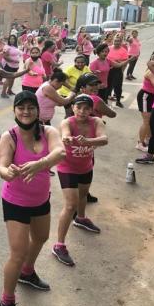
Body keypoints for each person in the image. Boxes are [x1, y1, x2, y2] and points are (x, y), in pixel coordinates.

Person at [0, 91, 65, 306]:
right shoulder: (10, 137)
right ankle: (6, 301)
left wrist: (40, 163)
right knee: (18, 252)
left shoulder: (49, 131)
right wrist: (8, 172)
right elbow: (2, 166)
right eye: (21, 107)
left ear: (37, 110)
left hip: (41, 198)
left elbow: (60, 152)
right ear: (15, 110)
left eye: (30, 107)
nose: (26, 112)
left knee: (41, 237)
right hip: (15, 201)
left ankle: (27, 272)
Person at [52, 94, 108, 267]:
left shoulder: (96, 122)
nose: (82, 111)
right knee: (70, 205)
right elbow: (66, 134)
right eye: (79, 107)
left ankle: (81, 219)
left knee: (83, 196)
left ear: (91, 110)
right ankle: (59, 245)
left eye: (86, 108)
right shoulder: (67, 122)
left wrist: (88, 141)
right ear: (73, 108)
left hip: (85, 166)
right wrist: (67, 139)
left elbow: (104, 139)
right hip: (67, 167)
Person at [135, 53, 154, 152]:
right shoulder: (150, 72)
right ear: (152, 61)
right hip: (146, 96)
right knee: (146, 121)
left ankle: (147, 139)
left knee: (151, 121)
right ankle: (140, 143)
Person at [106, 35, 131, 108]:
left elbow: (125, 62)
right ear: (113, 41)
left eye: (118, 41)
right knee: (108, 86)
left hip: (117, 70)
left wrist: (122, 70)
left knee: (118, 87)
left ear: (121, 42)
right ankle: (105, 100)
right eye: (115, 41)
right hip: (108, 69)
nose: (117, 42)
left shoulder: (123, 50)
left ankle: (118, 101)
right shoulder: (109, 48)